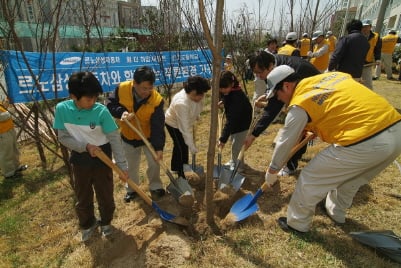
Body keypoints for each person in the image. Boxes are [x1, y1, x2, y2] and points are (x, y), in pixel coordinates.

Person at [262, 65, 401, 233]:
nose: (279, 99)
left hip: (366, 140)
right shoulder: (329, 77)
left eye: (277, 95)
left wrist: (272, 170)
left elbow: (285, 141)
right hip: (395, 128)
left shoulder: (300, 103)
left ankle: (297, 223)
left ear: (286, 86)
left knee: (310, 177)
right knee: (354, 178)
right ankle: (336, 212)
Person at [53, 71, 129, 241]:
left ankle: (106, 222)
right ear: (73, 96)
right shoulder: (62, 110)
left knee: (105, 194)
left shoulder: (100, 111)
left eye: (95, 97)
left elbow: (115, 139)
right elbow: (63, 137)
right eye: (88, 99)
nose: (93, 102)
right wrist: (84, 146)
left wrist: (123, 167)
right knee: (83, 195)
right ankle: (87, 224)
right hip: (80, 158)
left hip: (103, 156)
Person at [244, 51, 320, 176]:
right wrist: (269, 94)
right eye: (255, 73)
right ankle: (296, 156)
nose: (258, 76)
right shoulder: (275, 65)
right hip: (305, 97)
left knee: (294, 130)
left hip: (313, 98)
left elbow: (272, 109)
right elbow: (276, 92)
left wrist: (253, 135)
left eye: (260, 72)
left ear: (270, 66)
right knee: (300, 129)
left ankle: (290, 165)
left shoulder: (290, 72)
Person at [107, 66, 166, 203]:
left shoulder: (156, 100)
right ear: (134, 83)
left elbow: (158, 126)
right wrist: (121, 112)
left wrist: (158, 148)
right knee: (131, 165)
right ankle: (132, 189)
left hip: (148, 137)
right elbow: (110, 104)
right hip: (128, 136)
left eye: (150, 88)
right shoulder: (121, 89)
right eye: (143, 88)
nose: (147, 92)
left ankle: (156, 186)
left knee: (154, 162)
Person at [165, 76, 210, 178]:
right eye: (200, 94)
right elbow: (184, 129)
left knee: (179, 146)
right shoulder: (181, 103)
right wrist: (191, 146)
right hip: (173, 123)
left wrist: (196, 115)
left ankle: (175, 167)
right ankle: (182, 174)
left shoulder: (196, 95)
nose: (203, 96)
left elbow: (196, 106)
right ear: (193, 92)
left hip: (184, 120)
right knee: (182, 147)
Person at [218, 71, 252, 171]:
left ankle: (238, 166)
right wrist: (223, 101)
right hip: (236, 120)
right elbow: (227, 96)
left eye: (225, 88)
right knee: (234, 142)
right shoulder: (231, 91)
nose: (223, 90)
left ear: (232, 84)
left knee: (237, 145)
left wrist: (223, 138)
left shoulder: (237, 97)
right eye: (221, 88)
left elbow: (231, 120)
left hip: (242, 123)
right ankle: (234, 160)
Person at [0, 98, 28, 179]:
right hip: (2, 133)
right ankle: (9, 173)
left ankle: (16, 167)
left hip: (9, 129)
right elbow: (2, 117)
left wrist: (7, 101)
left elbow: (3, 107)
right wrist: (11, 111)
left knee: (14, 149)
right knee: (6, 153)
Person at [361, 19, 382, 89]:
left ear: (370, 27)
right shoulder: (358, 35)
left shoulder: (375, 37)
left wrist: (378, 59)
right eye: (363, 27)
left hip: (367, 63)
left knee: (368, 84)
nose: (365, 29)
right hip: (356, 63)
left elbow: (377, 49)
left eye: (367, 27)